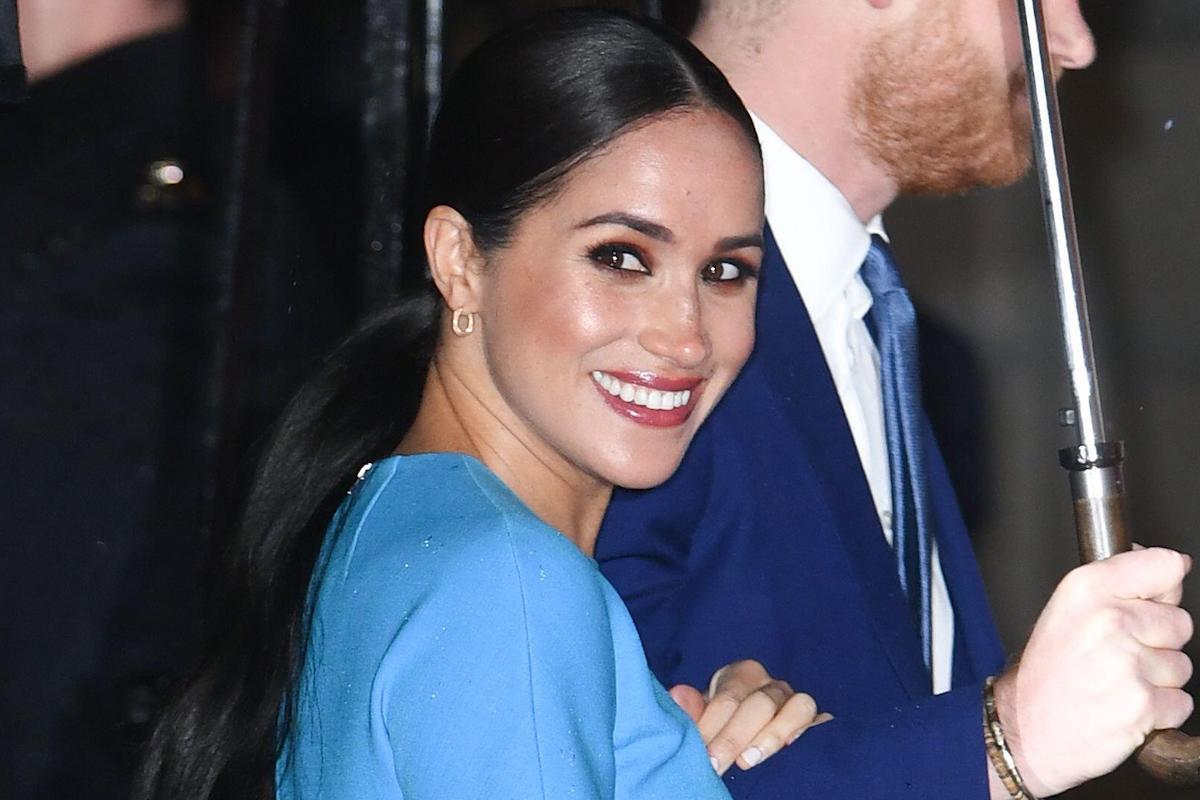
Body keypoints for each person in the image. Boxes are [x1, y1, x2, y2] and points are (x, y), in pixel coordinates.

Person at [134, 10, 826, 799]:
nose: (688, 337)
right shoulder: (510, 582)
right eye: (622, 257)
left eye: (725, 272)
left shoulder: (401, 521)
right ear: (459, 261)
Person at [598, 1, 1194, 798]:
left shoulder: (866, 301)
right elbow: (579, 762)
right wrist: (1005, 742)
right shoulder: (611, 290)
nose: (1076, 44)